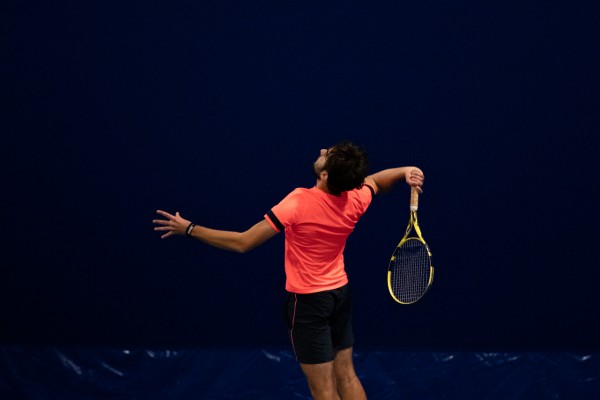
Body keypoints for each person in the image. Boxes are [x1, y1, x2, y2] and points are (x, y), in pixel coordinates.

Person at [153, 142, 424, 400]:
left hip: (309, 303)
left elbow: (242, 242)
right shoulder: (355, 198)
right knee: (347, 375)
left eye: (326, 155)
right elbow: (375, 181)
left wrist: (189, 229)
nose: (322, 151)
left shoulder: (299, 202)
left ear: (325, 175)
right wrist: (405, 171)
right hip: (339, 294)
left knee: (324, 390)